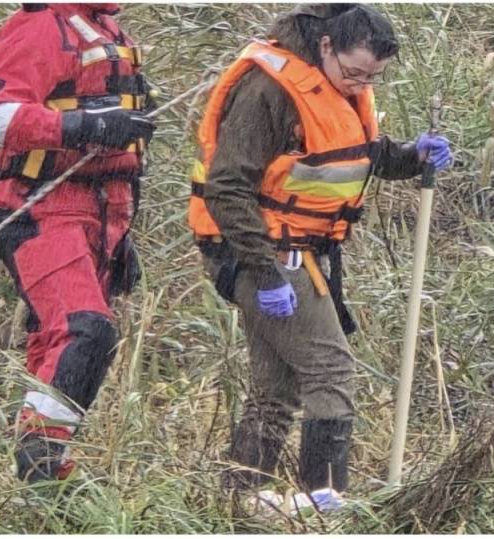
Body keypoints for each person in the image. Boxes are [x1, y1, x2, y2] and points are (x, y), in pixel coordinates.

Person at [187, 4, 452, 495]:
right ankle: (324, 503)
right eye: (353, 72)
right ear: (326, 45)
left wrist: (411, 156)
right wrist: (263, 275)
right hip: (263, 253)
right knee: (331, 372)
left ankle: (236, 500)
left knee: (274, 392)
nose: (360, 83)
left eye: (372, 76)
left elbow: (351, 157)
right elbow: (227, 187)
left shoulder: (344, 85)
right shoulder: (270, 88)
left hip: (305, 252)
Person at [0, 3, 154, 482]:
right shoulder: (41, 26)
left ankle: (41, 478)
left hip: (103, 210)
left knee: (58, 342)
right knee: (86, 330)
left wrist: (122, 232)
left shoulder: (104, 27)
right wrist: (87, 126)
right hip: (40, 206)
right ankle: (39, 464)